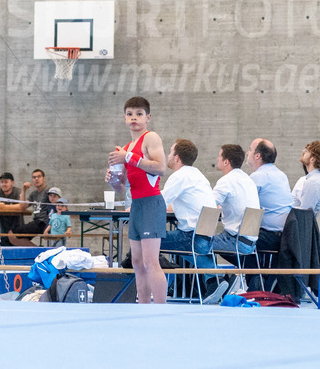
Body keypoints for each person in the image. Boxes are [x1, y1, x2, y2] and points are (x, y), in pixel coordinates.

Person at [106, 96, 168, 304]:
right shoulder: (126, 147)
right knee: (137, 261)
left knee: (151, 262)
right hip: (137, 206)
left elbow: (160, 167)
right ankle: (143, 307)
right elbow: (122, 186)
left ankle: (161, 309)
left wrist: (129, 157)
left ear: (148, 117)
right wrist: (113, 179)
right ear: (124, 118)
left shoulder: (151, 138)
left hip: (151, 203)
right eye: (130, 114)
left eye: (139, 114)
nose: (134, 118)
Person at [159, 139, 217, 271]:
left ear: (177, 158)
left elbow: (159, 203)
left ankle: (148, 287)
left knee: (145, 241)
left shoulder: (179, 176)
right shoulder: (199, 176)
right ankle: (214, 277)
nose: (168, 156)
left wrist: (135, 206)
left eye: (170, 152)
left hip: (191, 239)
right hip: (206, 239)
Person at [211, 144, 260, 261]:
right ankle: (224, 279)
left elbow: (207, 205)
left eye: (219, 156)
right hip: (251, 243)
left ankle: (214, 278)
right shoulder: (248, 180)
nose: (217, 159)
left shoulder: (226, 181)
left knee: (196, 244)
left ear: (226, 162)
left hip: (235, 241)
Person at [248, 138, 294, 253]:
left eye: (250, 150)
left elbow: (244, 206)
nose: (247, 153)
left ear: (257, 156)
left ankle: (255, 269)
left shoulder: (257, 177)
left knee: (234, 239)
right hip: (287, 237)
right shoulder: (282, 175)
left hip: (268, 237)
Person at [7, 169, 52, 246]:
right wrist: (24, 190)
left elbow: (58, 204)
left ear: (44, 178)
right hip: (36, 222)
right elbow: (22, 207)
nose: (36, 179)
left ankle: (38, 252)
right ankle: (38, 251)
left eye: (39, 177)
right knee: (13, 236)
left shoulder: (49, 192)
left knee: (13, 234)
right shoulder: (33, 194)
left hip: (44, 222)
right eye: (34, 177)